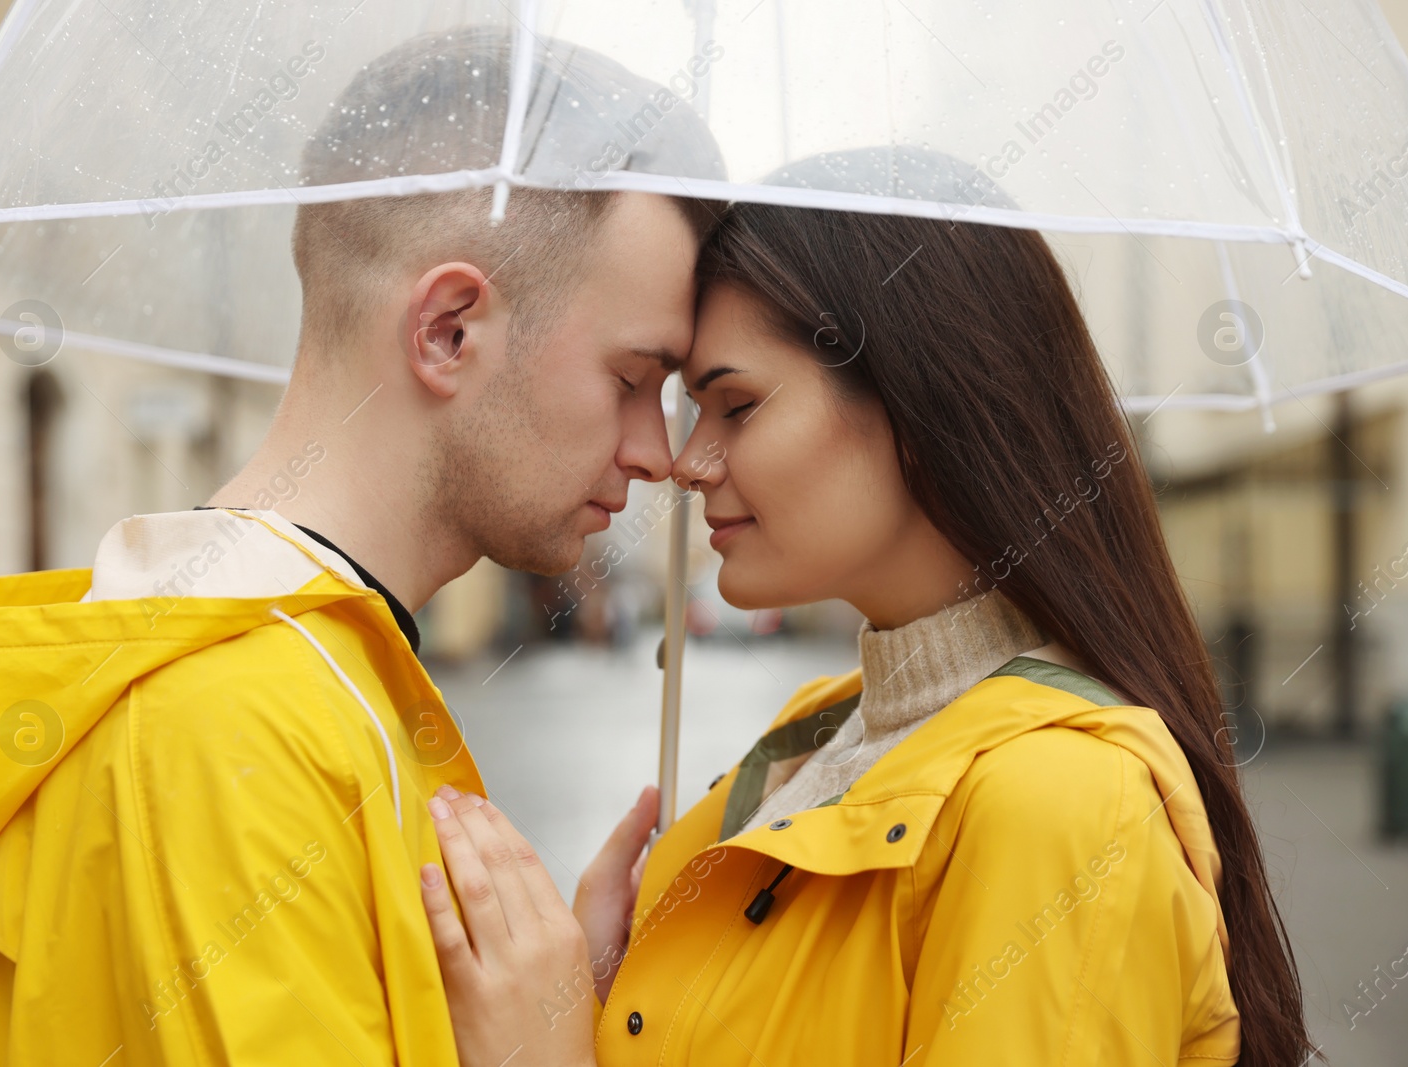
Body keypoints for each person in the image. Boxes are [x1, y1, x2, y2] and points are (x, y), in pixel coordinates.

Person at [0, 27, 721, 1066]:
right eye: (633, 378)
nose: (659, 453)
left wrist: (565, 994)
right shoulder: (232, 727)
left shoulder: (313, 674)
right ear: (448, 329)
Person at [417, 151, 1318, 1067]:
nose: (688, 463)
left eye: (735, 404)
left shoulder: (1065, 803)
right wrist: (621, 991)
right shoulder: (813, 736)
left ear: (919, 406)